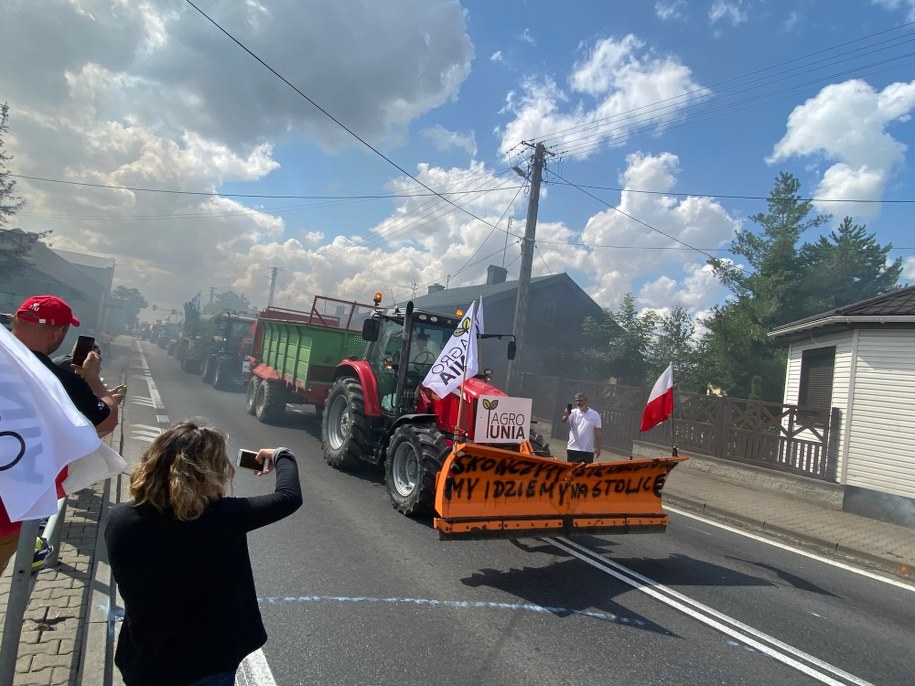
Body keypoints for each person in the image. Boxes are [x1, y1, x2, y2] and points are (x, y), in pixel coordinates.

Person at [104, 420, 303, 686]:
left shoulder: (118, 519)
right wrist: (282, 455)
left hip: (144, 662)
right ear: (206, 474)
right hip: (205, 666)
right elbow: (289, 497)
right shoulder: (219, 518)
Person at [0, 295, 122, 575]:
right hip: (8, 510)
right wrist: (93, 379)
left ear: (15, 320)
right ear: (58, 334)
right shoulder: (60, 382)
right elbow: (107, 419)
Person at [561, 392, 602, 464]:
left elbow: (598, 432)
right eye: (576, 401)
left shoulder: (595, 414)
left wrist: (598, 448)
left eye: (580, 401)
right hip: (573, 448)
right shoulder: (573, 412)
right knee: (571, 472)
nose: (578, 403)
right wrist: (567, 415)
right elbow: (564, 421)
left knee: (585, 473)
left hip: (587, 450)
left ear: (586, 401)